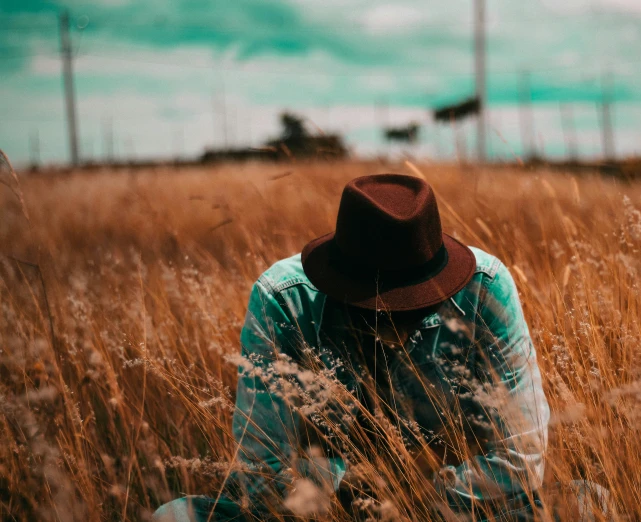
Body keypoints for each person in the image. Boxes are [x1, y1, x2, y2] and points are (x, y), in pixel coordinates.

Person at [153, 173, 551, 521]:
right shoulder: (283, 300)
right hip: (316, 511)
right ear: (338, 285)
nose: (396, 323)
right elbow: (262, 472)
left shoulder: (485, 289)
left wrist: (414, 502)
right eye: (380, 308)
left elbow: (522, 457)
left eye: (414, 305)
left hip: (449, 510)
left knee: (587, 501)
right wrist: (348, 499)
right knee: (173, 517)